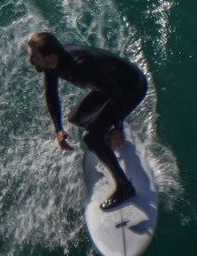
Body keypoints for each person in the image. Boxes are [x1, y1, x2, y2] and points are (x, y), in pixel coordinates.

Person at [26, 30, 147, 211]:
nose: (30, 60)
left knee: (92, 138)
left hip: (130, 87)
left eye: (33, 56)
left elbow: (116, 94)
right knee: (76, 118)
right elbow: (51, 94)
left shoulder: (81, 67)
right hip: (109, 85)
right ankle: (103, 137)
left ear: (49, 56)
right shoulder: (52, 63)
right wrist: (59, 129)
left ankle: (124, 187)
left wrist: (117, 128)